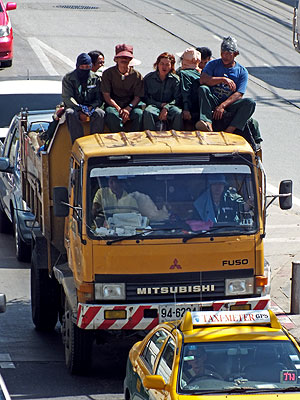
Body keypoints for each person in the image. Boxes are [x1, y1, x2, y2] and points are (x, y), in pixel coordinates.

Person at [196, 36, 256, 134]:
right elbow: (203, 80)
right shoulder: (212, 64)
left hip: (229, 104)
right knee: (203, 89)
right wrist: (222, 80)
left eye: (228, 54)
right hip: (213, 100)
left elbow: (239, 94)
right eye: (223, 53)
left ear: (235, 54)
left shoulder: (242, 71)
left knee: (250, 103)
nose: (225, 56)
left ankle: (230, 130)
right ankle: (207, 123)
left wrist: (222, 106)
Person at [62, 53, 105, 143]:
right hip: (75, 107)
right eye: (82, 67)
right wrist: (80, 109)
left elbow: (99, 98)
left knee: (100, 113)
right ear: (77, 66)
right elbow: (68, 97)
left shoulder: (95, 78)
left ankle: (95, 142)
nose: (85, 69)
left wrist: (91, 107)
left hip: (90, 107)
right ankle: (77, 143)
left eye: (87, 67)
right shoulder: (68, 78)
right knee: (70, 113)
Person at [101, 44, 144, 133]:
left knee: (138, 114)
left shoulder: (137, 76)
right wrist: (118, 108)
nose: (124, 60)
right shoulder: (108, 74)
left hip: (130, 105)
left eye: (127, 58)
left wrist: (129, 108)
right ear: (116, 59)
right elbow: (106, 95)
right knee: (111, 113)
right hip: (114, 105)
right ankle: (119, 135)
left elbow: (137, 96)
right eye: (121, 57)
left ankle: (134, 138)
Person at [143, 52, 182, 131]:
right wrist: (160, 105)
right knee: (148, 112)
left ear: (171, 66)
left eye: (167, 64)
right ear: (157, 64)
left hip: (170, 106)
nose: (164, 67)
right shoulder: (149, 78)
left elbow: (177, 98)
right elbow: (144, 97)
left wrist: (166, 107)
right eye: (162, 64)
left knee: (178, 113)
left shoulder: (175, 80)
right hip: (154, 105)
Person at [177, 48, 202, 128]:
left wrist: (186, 109)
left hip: (188, 109)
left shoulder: (183, 74)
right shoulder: (201, 73)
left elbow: (185, 91)